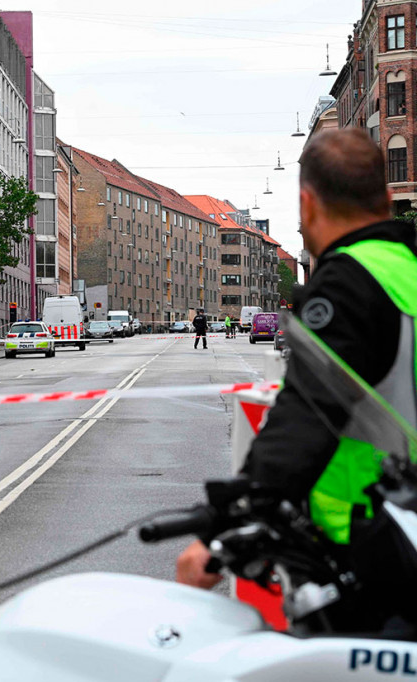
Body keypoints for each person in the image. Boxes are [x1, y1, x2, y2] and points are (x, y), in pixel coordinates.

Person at [176, 129, 417, 625]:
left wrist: (227, 526)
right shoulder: (406, 270)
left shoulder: (351, 282)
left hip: (367, 542)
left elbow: (309, 413)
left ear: (307, 205)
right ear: (387, 198)